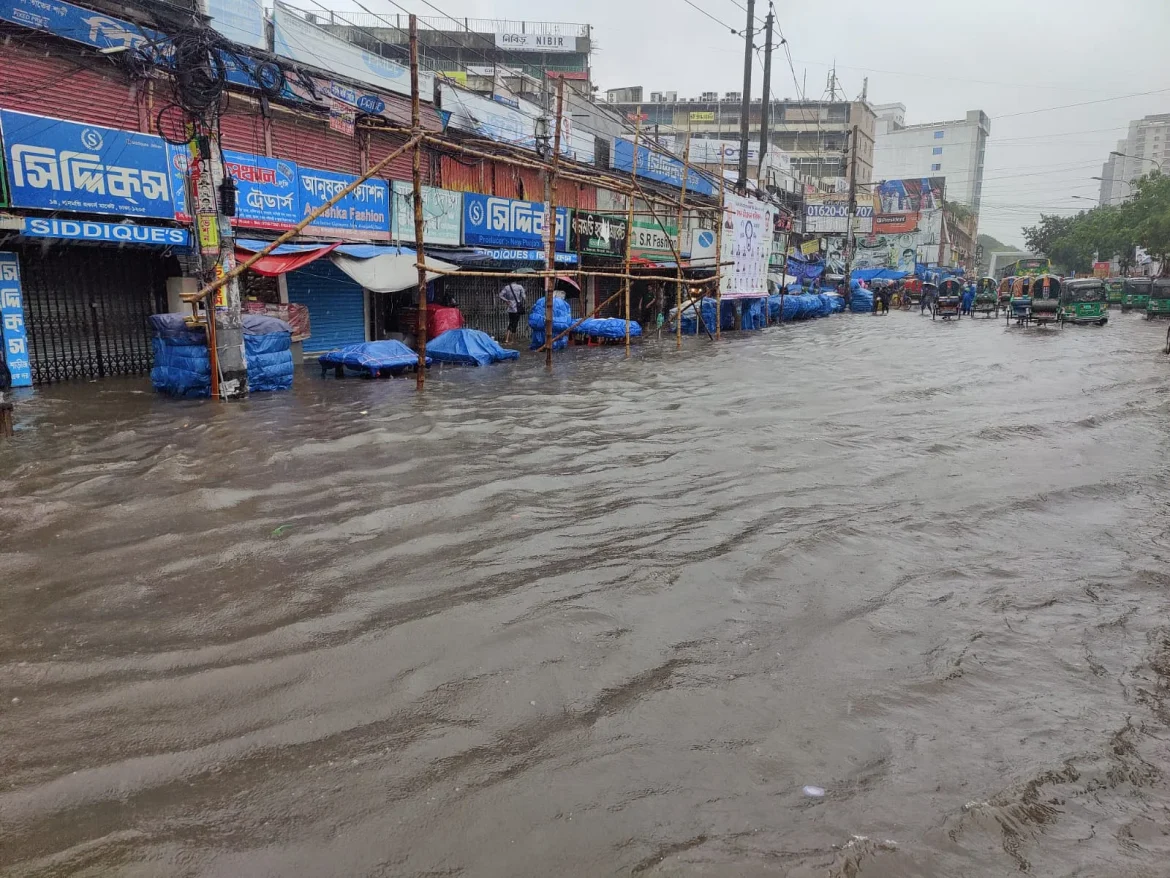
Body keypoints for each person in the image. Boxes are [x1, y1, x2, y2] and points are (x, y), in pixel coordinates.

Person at [499, 279, 527, 345]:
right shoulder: (520, 287)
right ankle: (513, 340)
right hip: (517, 308)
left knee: (511, 323)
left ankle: (507, 339)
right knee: (515, 323)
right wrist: (524, 300)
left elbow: (500, 295)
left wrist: (506, 300)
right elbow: (524, 297)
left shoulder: (506, 287)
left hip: (510, 308)